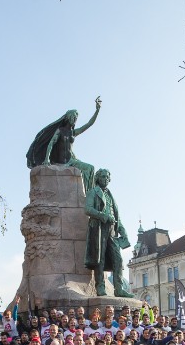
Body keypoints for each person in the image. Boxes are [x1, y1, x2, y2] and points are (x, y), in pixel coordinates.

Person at [25, 97, 102, 191]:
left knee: (90, 168)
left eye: (76, 118)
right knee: (88, 168)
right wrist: (46, 159)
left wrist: (97, 110)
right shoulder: (60, 131)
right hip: (62, 161)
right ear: (68, 117)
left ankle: (88, 194)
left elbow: (89, 124)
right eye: (73, 117)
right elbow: (51, 143)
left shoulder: (73, 132)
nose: (75, 119)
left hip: (72, 160)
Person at [84, 168, 132, 298]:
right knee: (100, 258)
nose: (105, 179)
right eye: (102, 176)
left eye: (107, 177)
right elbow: (87, 209)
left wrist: (123, 231)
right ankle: (100, 287)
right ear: (97, 178)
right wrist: (103, 216)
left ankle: (119, 289)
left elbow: (117, 217)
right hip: (99, 228)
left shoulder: (110, 195)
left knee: (118, 259)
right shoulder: (93, 192)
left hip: (112, 230)